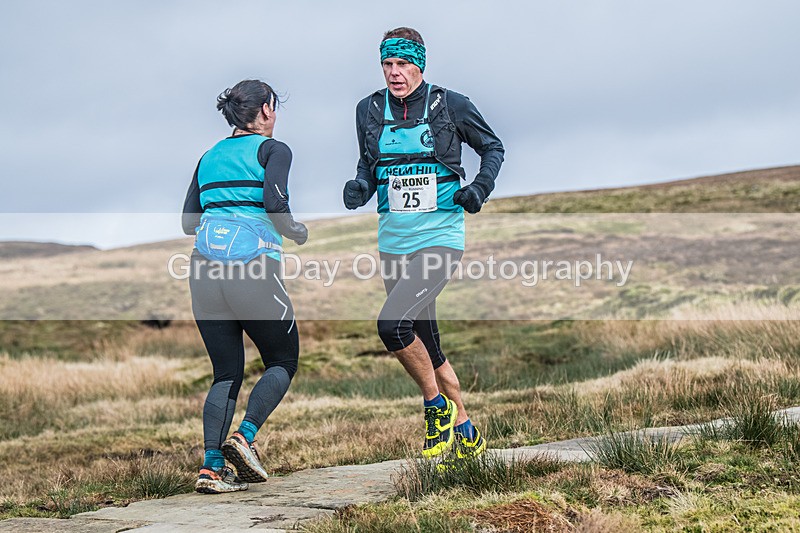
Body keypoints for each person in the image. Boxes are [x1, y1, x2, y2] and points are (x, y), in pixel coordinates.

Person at [343, 28, 504, 460]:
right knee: (427, 344)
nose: (394, 73)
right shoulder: (369, 109)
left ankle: (435, 409)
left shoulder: (450, 104)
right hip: (393, 241)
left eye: (401, 64)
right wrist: (361, 186)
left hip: (439, 238)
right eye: (386, 64)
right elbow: (368, 160)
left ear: (419, 64)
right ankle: (466, 430)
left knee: (391, 326)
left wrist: (479, 188)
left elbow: (493, 147)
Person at [182, 79, 308, 493]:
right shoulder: (274, 150)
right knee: (282, 359)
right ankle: (245, 437)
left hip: (203, 272)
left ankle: (211, 469)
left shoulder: (208, 156)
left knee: (225, 373)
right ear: (267, 110)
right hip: (252, 268)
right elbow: (276, 205)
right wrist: (296, 230)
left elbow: (188, 222)